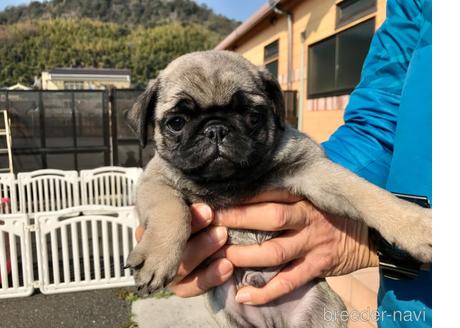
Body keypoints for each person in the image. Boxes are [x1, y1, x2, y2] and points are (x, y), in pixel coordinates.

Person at [137, 0, 432, 326]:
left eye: (249, 116)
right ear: (147, 123)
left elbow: (329, 178)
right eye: (178, 123)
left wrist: (401, 224)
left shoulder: (284, 148)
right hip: (233, 301)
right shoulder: (413, 11)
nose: (216, 135)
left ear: (274, 108)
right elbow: (378, 122)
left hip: (312, 302)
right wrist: (167, 233)